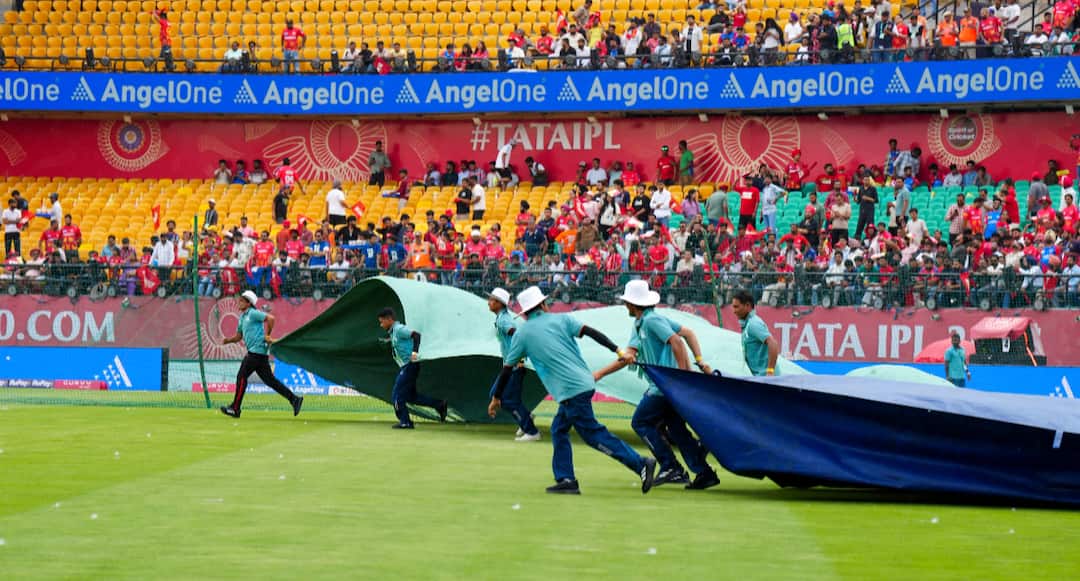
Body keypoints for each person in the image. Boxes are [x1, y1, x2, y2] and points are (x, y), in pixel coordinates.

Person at [488, 286, 657, 495]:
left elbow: (506, 370)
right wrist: (618, 350)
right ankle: (566, 479)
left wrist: (496, 398)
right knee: (559, 429)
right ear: (542, 304)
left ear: (525, 312)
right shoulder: (562, 319)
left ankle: (640, 464)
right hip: (583, 383)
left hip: (570, 391)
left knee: (593, 434)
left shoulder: (522, 333)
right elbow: (592, 333)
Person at [592, 281, 721, 490]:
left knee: (640, 422)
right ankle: (704, 473)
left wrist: (682, 376)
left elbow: (677, 341)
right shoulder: (640, 323)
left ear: (633, 304)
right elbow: (686, 334)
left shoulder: (652, 321)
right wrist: (601, 373)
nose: (625, 305)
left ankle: (671, 466)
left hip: (664, 386)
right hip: (666, 386)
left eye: (626, 302)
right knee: (677, 429)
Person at [219, 290, 304, 418]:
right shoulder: (242, 317)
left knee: (241, 376)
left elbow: (271, 319)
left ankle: (235, 408)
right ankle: (294, 399)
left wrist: (268, 335)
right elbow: (238, 336)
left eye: (242, 300)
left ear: (249, 303)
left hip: (256, 352)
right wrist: (228, 340)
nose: (239, 302)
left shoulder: (253, 313)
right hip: (259, 354)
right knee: (270, 381)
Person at [378, 307, 449, 429]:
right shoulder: (394, 332)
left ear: (389, 319)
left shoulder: (399, 329)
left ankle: (405, 422)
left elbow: (416, 335)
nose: (381, 324)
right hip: (407, 366)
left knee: (397, 395)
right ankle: (439, 404)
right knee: (411, 397)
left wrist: (414, 352)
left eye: (382, 321)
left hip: (409, 366)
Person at [487, 287, 541, 441]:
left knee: (508, 400)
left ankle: (531, 431)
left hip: (515, 366)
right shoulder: (501, 318)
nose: (488, 302)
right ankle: (525, 416)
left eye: (491, 299)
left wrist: (521, 358)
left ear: (499, 303)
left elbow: (517, 335)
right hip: (512, 365)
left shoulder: (504, 320)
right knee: (496, 395)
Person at [731, 289, 779, 376]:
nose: (734, 311)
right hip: (760, 378)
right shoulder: (747, 324)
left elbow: (773, 343)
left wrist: (770, 372)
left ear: (747, 306)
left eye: (736, 307)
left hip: (766, 379)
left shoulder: (753, 323)